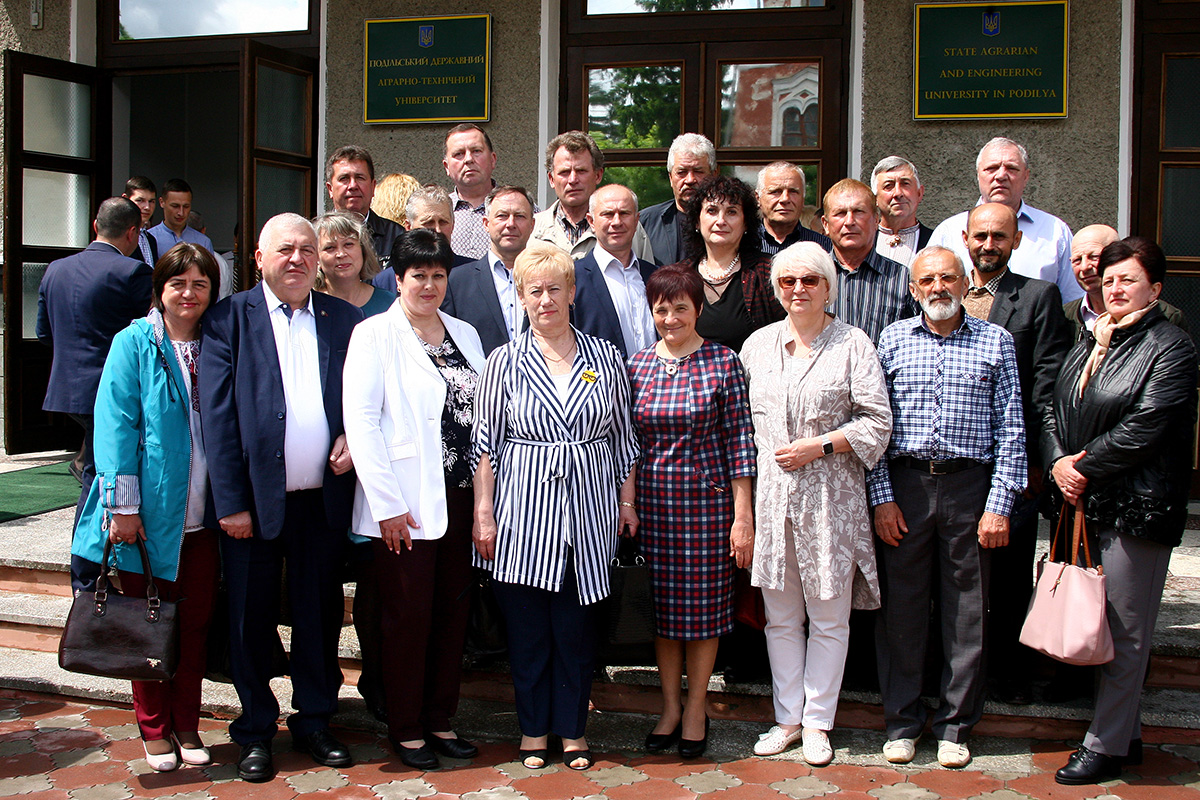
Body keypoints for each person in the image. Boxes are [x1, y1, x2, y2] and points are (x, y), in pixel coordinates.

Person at [200, 213, 361, 783]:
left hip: (323, 501)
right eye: (285, 250)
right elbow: (217, 419)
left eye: (307, 250)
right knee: (251, 618)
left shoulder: (344, 318)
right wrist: (230, 503)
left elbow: (365, 398)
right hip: (252, 504)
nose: (297, 259)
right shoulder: (227, 319)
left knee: (319, 616)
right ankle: (254, 729)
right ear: (260, 259)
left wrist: (354, 439)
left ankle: (315, 720)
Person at [472, 242, 639, 771]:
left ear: (572, 293)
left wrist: (627, 502)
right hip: (523, 515)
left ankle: (572, 730)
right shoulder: (503, 361)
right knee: (527, 633)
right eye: (534, 291)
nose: (545, 300)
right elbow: (484, 445)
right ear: (521, 298)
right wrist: (483, 513)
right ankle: (532, 729)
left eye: (554, 289)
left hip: (590, 513)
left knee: (576, 631)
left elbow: (624, 439)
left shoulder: (604, 356)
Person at [1043, 237, 1199, 785]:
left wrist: (1082, 466)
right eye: (1108, 280)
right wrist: (1057, 461)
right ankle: (1125, 737)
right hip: (1086, 502)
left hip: (1138, 506)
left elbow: (1147, 425)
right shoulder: (1094, 339)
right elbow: (1053, 407)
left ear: (1155, 288)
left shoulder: (1171, 346)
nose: (1115, 289)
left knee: (1126, 630)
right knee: (1102, 624)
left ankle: (1103, 746)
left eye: (1127, 280)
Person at [868, 246, 1025, 770]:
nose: (939, 287)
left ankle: (956, 726)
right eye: (928, 279)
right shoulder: (891, 340)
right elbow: (876, 426)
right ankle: (902, 723)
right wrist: (882, 498)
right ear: (914, 289)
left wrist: (999, 504)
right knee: (901, 611)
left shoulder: (995, 341)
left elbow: (1012, 428)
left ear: (964, 283)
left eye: (949, 278)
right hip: (906, 486)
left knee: (967, 613)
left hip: (969, 489)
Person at [71, 243, 223, 773]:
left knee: (194, 626)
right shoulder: (134, 342)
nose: (189, 293)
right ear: (160, 289)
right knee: (147, 624)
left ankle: (188, 722)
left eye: (200, 284)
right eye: (178, 283)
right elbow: (115, 426)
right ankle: (154, 729)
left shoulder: (219, 341)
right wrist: (123, 507)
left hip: (207, 516)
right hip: (149, 516)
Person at [740, 242, 892, 765]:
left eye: (810, 280)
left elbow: (878, 422)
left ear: (829, 286)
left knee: (829, 617)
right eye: (788, 281)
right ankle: (787, 718)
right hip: (772, 500)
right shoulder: (757, 346)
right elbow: (741, 426)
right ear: (776, 289)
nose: (799, 289)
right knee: (781, 618)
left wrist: (821, 445)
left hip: (832, 500)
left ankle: (818, 722)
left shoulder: (853, 344)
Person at [342, 229, 487, 771]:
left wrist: (486, 502)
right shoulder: (373, 335)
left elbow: (485, 416)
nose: (429, 285)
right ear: (397, 279)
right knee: (407, 617)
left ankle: (440, 719)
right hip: (405, 503)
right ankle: (405, 728)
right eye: (418, 275)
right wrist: (386, 506)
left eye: (438, 275)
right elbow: (362, 424)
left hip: (462, 497)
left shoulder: (465, 333)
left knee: (452, 615)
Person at [628, 266, 756, 760]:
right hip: (653, 509)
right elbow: (627, 443)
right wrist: (628, 503)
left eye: (681, 307)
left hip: (707, 508)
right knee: (662, 615)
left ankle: (697, 707)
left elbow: (740, 443)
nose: (671, 318)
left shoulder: (723, 362)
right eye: (662, 309)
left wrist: (742, 515)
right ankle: (669, 708)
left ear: (698, 309)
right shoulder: (637, 365)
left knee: (702, 615)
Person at [960, 203, 1072, 705]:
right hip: (954, 462)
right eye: (981, 235)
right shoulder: (945, 291)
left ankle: (1006, 676)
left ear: (1016, 241)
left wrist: (1037, 461)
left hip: (1012, 460)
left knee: (1007, 576)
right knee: (956, 573)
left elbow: (1046, 386)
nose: (989, 245)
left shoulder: (1038, 297)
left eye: (999, 237)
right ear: (966, 238)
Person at [37, 197, 153, 590]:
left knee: (96, 472)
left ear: (94, 226)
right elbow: (149, 336)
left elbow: (43, 332)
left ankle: (91, 576)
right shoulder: (133, 272)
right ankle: (87, 578)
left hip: (67, 388)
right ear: (133, 233)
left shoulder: (56, 269)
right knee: (99, 480)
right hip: (112, 394)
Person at [928, 137, 1081, 302]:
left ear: (1026, 176)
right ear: (978, 175)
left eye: (1012, 168)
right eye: (991, 168)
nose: (1001, 176)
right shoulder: (949, 231)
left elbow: (1073, 301)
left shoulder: (1055, 231)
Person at [674, 174, 784, 352]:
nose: (721, 221)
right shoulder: (679, 275)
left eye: (731, 212)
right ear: (697, 221)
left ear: (746, 223)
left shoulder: (768, 271)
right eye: (712, 211)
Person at [442, 186, 537, 354]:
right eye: (502, 216)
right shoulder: (456, 282)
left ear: (532, 225)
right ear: (486, 223)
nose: (511, 224)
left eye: (519, 216)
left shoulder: (549, 279)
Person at [531, 130, 654, 261]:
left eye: (581, 171)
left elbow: (645, 273)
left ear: (598, 175)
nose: (573, 180)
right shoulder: (531, 230)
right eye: (564, 172)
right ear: (551, 179)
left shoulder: (628, 229)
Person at [821, 179, 916, 343]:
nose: (849, 221)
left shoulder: (902, 278)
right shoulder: (810, 278)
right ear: (825, 225)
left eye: (858, 212)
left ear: (876, 220)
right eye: (840, 213)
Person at [572, 184, 658, 358]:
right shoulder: (573, 280)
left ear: (636, 220)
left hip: (657, 375)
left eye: (624, 213)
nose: (617, 222)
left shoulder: (655, 276)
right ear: (591, 221)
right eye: (608, 214)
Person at [1065, 224, 1188, 342]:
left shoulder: (1167, 316)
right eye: (1077, 260)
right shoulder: (1065, 315)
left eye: (1094, 257)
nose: (1084, 267)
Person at [371, 185, 472, 292]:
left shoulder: (472, 274)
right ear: (409, 227)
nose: (437, 230)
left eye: (443, 222)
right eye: (428, 223)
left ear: (452, 225)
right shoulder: (385, 281)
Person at [640, 133, 718, 266]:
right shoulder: (645, 224)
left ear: (713, 175)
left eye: (698, 171)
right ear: (670, 178)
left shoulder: (729, 224)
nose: (690, 180)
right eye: (682, 172)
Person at [325, 145, 405, 270]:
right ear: (330, 189)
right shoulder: (315, 236)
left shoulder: (397, 237)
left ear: (373, 187)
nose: (353, 186)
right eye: (344, 178)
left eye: (360, 178)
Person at [314, 212, 394, 314]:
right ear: (316, 258)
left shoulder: (388, 303)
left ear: (363, 250)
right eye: (330, 247)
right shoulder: (308, 304)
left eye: (348, 244)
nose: (341, 254)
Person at [444, 123, 501, 259]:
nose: (468, 159)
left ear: (492, 159)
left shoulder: (520, 209)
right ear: (447, 167)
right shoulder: (438, 212)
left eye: (476, 151)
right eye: (459, 154)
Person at [755, 161, 830, 255]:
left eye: (793, 192)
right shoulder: (742, 244)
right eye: (775, 192)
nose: (785, 199)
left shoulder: (824, 247)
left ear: (803, 198)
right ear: (758, 198)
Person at [871, 156, 933, 268]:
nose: (898, 193)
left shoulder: (934, 241)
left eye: (905, 184)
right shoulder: (862, 241)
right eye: (888, 186)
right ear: (875, 198)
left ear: (919, 193)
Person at [148, 179, 217, 259]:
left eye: (186, 206)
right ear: (162, 202)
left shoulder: (203, 241)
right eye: (175, 206)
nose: (181, 213)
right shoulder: (149, 239)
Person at [123, 175, 159, 267]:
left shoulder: (151, 239)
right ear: (126, 199)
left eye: (151, 201)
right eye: (140, 200)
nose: (147, 207)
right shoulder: (119, 236)